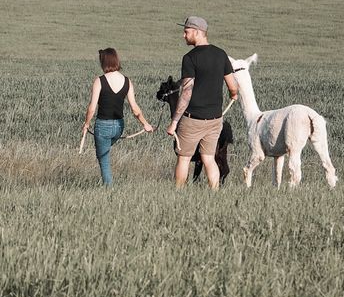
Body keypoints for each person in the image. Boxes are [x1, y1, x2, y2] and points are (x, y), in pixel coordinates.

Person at [165, 16, 240, 189]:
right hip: (215, 119)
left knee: (183, 158)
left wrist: (174, 122)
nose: (184, 36)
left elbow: (186, 93)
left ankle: (178, 194)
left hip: (193, 119)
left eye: (186, 32)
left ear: (197, 32)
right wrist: (233, 95)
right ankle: (214, 193)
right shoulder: (221, 54)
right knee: (208, 159)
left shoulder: (189, 58)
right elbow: (233, 86)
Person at [82, 48, 154, 186]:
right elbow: (135, 108)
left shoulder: (99, 81)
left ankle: (109, 191)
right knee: (104, 153)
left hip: (103, 126)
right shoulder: (127, 81)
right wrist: (146, 124)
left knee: (103, 159)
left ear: (104, 62)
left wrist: (86, 124)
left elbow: (92, 108)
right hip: (119, 127)